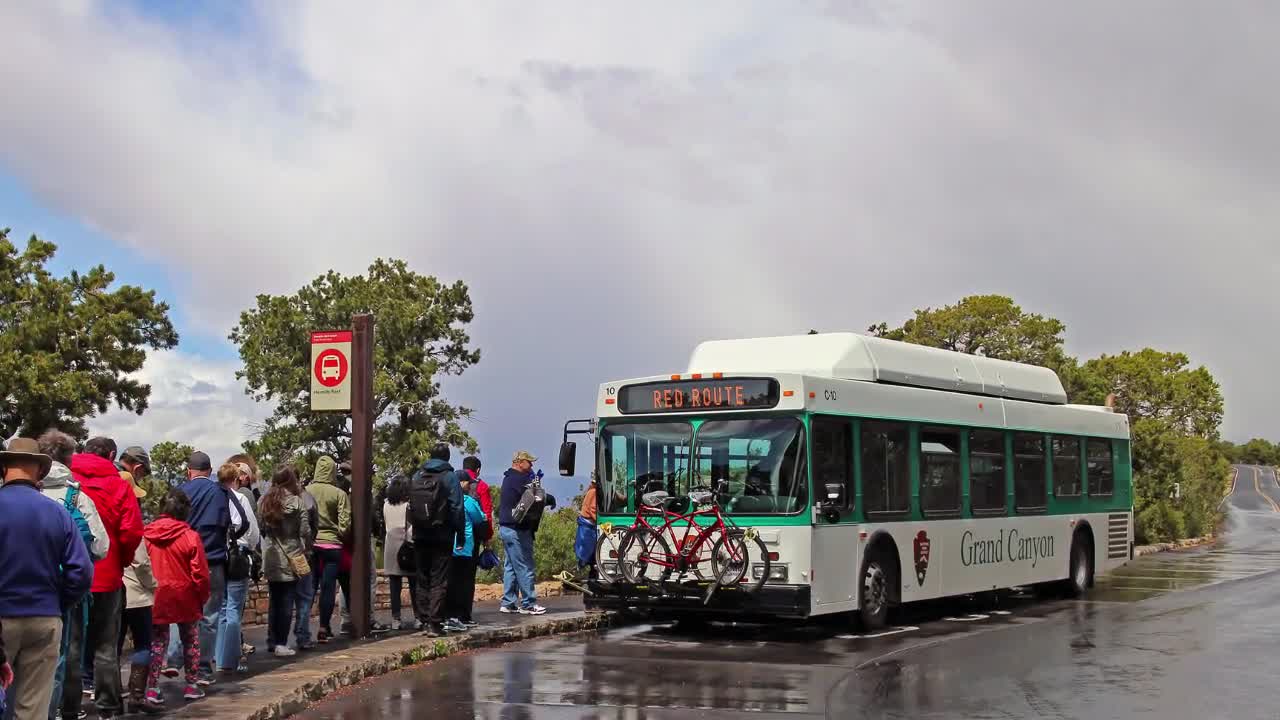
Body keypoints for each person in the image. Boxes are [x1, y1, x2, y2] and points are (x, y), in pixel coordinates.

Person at [0, 438, 94, 720]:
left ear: (3, 468)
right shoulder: (58, 513)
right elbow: (82, 570)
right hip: (44, 616)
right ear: (40, 472)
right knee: (33, 709)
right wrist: (58, 601)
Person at [34, 431, 108, 720]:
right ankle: (67, 709)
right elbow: (101, 546)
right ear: (69, 459)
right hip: (68, 591)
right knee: (69, 653)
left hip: (28, 588)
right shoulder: (77, 497)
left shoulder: (27, 492)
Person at [71, 437, 144, 718]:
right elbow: (131, 531)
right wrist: (121, 561)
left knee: (73, 643)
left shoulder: (69, 480)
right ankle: (108, 706)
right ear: (112, 454)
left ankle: (70, 705)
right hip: (107, 572)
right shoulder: (118, 484)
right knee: (105, 645)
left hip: (73, 573)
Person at [166, 452, 244, 686]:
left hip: (181, 561)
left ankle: (173, 659)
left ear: (189, 471)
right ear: (209, 471)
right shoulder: (221, 491)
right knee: (209, 616)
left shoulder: (178, 492)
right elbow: (241, 520)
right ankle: (202, 669)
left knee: (178, 611)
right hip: (212, 559)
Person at [142, 490, 211, 707]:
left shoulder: (146, 534)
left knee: (157, 642)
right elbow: (200, 572)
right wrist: (202, 595)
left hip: (157, 593)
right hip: (185, 594)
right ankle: (191, 684)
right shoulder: (190, 536)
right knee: (191, 639)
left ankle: (152, 688)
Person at [409, 445, 464, 637]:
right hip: (442, 535)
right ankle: (435, 623)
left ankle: (423, 621)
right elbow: (457, 507)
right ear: (447, 458)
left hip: (419, 534)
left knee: (422, 579)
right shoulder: (450, 477)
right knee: (439, 579)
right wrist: (460, 533)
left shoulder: (417, 476)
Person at [259, 467, 312, 657]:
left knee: (275, 600)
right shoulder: (297, 502)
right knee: (288, 601)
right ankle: (282, 642)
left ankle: (272, 640)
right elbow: (304, 530)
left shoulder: (265, 502)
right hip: (292, 555)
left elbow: (261, 528)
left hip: (272, 555)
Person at [216, 464, 258, 675]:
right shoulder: (239, 499)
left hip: (218, 555)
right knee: (233, 607)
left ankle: (218, 654)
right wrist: (251, 549)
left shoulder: (214, 498)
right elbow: (253, 531)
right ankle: (230, 659)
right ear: (236, 479)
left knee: (222, 607)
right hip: (237, 554)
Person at [308, 456, 350, 644]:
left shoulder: (306, 491)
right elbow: (345, 524)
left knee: (309, 587)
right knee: (328, 587)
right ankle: (324, 627)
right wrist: (340, 535)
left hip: (311, 545)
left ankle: (302, 627)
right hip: (332, 545)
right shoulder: (339, 493)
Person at [498, 451, 546, 615]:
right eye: (529, 462)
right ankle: (528, 603)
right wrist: (546, 498)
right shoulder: (520, 479)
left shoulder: (508, 478)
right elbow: (534, 496)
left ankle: (509, 602)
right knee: (524, 565)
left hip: (506, 528)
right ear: (519, 462)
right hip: (516, 529)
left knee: (511, 566)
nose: (532, 465)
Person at [445, 473, 486, 631]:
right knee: (462, 584)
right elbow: (480, 518)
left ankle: (447, 616)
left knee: (449, 583)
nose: (471, 485)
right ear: (461, 483)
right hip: (464, 547)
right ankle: (460, 616)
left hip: (448, 545)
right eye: (469, 483)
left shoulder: (446, 499)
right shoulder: (468, 501)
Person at [380, 476, 418, 630]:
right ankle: (418, 617)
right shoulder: (408, 506)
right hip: (406, 547)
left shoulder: (385, 505)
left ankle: (396, 619)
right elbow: (410, 528)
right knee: (413, 584)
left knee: (395, 586)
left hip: (390, 546)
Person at [292, 469, 320, 651]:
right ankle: (302, 634)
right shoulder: (307, 500)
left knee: (281, 597)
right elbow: (312, 527)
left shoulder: (271, 499)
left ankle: (274, 639)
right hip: (302, 554)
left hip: (280, 554)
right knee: (304, 595)